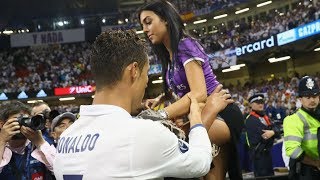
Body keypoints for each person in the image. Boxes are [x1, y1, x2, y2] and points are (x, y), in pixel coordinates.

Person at [53, 30, 233, 179]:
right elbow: (200, 163)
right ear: (134, 71)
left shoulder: (66, 138)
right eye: (146, 74)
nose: (146, 82)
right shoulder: (141, 133)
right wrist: (197, 118)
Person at [138, 1, 244, 179]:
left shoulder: (185, 44)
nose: (145, 29)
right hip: (203, 113)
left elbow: (199, 94)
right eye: (142, 25)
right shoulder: (169, 56)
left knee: (175, 136)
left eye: (148, 22)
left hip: (222, 112)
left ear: (165, 19)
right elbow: (180, 87)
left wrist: (161, 114)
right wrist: (162, 98)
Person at [0, 101, 56, 179]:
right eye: (18, 120)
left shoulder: (40, 144)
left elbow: (61, 170)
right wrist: (1, 141)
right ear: (2, 125)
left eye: (26, 119)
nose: (23, 124)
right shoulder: (1, 146)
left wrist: (40, 143)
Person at [283, 76, 320, 179]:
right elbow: (292, 150)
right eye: (308, 97)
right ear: (300, 99)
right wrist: (316, 163)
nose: (312, 100)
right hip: (308, 172)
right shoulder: (293, 119)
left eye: (315, 96)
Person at [245, 94, 281, 177]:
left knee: (270, 176)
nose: (260, 104)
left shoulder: (265, 117)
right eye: (257, 103)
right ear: (251, 104)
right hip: (259, 155)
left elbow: (277, 131)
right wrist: (274, 132)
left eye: (261, 102)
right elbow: (265, 135)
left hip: (267, 154)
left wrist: (273, 132)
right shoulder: (250, 119)